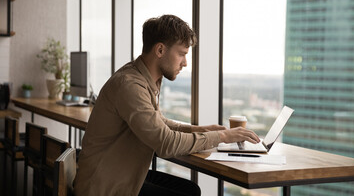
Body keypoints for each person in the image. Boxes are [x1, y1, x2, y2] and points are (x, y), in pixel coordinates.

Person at [74, 14, 260, 196]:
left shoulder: (144, 78)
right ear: (160, 50)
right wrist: (222, 136)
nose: (185, 63)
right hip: (103, 186)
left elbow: (158, 122)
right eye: (181, 54)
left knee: (190, 190)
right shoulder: (130, 85)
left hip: (121, 175)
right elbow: (165, 143)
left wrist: (201, 129)